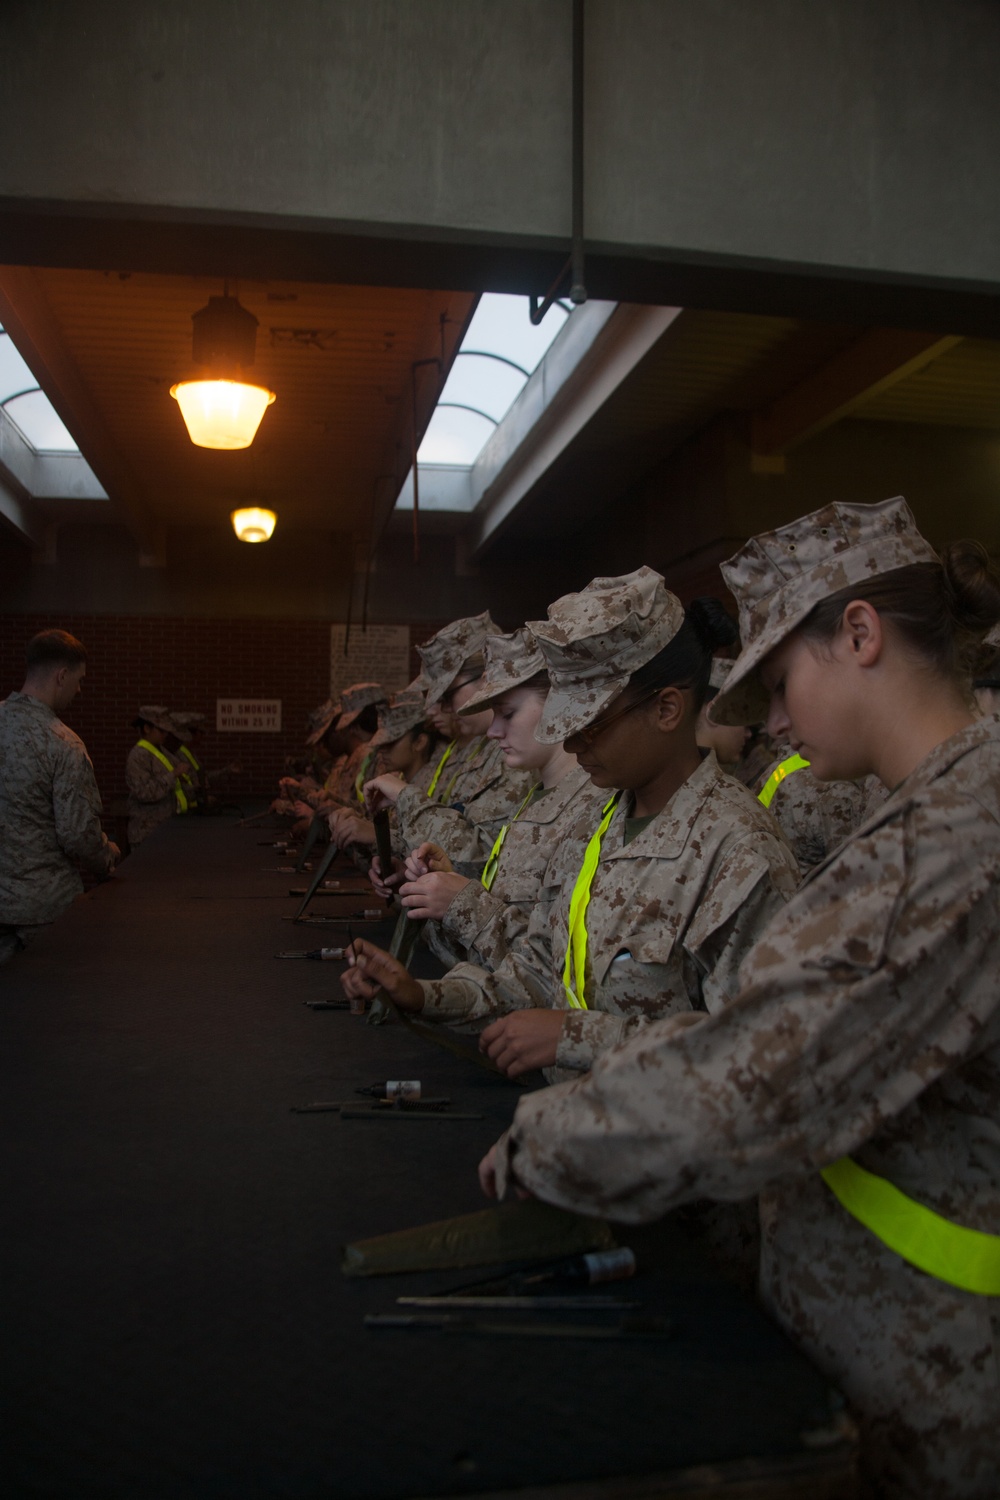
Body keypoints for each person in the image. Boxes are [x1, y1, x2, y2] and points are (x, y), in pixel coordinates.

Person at [477, 499, 1000, 1499]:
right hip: (871, 1327)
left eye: (778, 680)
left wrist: (550, 1143)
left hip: (927, 1367)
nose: (765, 719)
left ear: (858, 634)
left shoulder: (954, 839)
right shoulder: (934, 811)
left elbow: (754, 1082)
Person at [346, 570, 800, 1079]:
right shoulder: (598, 820)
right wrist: (424, 994)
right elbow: (541, 968)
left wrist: (575, 1037)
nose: (574, 741)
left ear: (667, 709)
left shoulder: (739, 850)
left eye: (590, 723)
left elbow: (763, 1055)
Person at [394, 627, 607, 972]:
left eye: (507, 714)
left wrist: (463, 902)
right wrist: (449, 884)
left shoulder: (594, 806)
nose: (493, 731)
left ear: (559, 705)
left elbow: (553, 966)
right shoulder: (537, 799)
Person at [365, 613, 536, 870]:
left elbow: (481, 860)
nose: (442, 709)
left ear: (487, 677)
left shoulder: (517, 753)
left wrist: (405, 797)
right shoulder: (484, 748)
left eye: (447, 695)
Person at [0, 629, 119, 962]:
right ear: (61, 676)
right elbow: (78, 834)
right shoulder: (63, 744)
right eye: (79, 680)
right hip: (43, 910)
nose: (79, 689)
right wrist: (108, 857)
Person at [326, 684, 436, 852]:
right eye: (380, 743)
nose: (381, 750)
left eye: (390, 743)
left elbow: (432, 851)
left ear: (419, 742)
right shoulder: (399, 781)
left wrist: (377, 836)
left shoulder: (431, 787)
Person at [125, 706, 188, 848]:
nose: (165, 735)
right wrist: (173, 775)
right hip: (146, 833)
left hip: (164, 831)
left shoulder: (160, 751)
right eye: (161, 730)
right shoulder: (138, 756)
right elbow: (144, 793)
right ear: (147, 728)